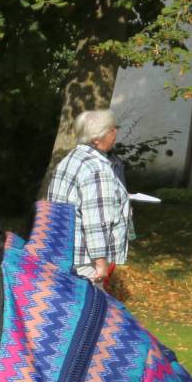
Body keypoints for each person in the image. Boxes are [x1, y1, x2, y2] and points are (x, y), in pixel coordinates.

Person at [45, 108, 130, 287]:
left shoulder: (71, 158)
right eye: (112, 129)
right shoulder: (98, 168)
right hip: (85, 259)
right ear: (97, 138)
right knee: (89, 310)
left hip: (61, 249)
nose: (116, 133)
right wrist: (100, 263)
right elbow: (96, 221)